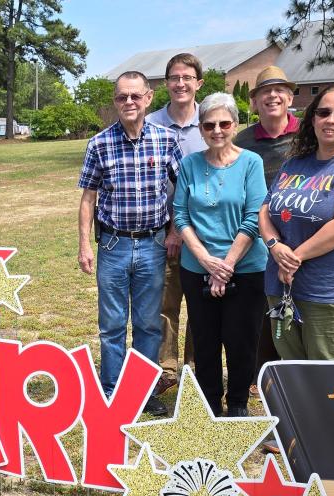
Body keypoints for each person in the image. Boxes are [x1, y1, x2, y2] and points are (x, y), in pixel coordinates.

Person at [77, 71, 183, 416]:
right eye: (122, 97)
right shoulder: (99, 143)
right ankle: (111, 391)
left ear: (148, 98)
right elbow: (87, 197)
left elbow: (182, 189)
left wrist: (174, 231)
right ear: (115, 101)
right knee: (111, 324)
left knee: (148, 323)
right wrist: (84, 244)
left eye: (135, 96)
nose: (129, 102)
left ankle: (142, 390)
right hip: (112, 246)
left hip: (153, 245)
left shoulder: (166, 140)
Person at [257, 83, 334, 361]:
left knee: (324, 371)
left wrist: (294, 258)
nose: (330, 120)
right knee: (292, 368)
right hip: (281, 284)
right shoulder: (295, 163)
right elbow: (265, 210)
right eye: (324, 112)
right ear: (312, 117)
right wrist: (275, 245)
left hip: (329, 288)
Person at [172, 92, 268, 417]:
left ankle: (238, 403)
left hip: (245, 268)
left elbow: (254, 217)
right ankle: (210, 404)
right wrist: (205, 260)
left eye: (224, 123)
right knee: (205, 340)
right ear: (200, 129)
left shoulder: (251, 163)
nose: (217, 130)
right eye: (209, 124)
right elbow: (181, 216)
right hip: (197, 267)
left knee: (241, 339)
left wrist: (225, 265)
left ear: (236, 125)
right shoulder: (190, 164)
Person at [146, 53, 208, 396]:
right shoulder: (151, 122)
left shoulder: (212, 121)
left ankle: (194, 367)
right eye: (174, 77)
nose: (181, 83)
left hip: (204, 232)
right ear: (165, 84)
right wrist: (171, 228)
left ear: (198, 82)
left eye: (187, 77)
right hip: (162, 233)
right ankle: (165, 368)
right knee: (164, 304)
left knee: (201, 303)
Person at [233, 66, 298, 381]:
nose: (272, 96)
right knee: (260, 306)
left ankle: (297, 368)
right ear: (255, 102)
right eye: (264, 92)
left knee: (300, 303)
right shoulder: (243, 141)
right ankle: (261, 372)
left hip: (300, 232)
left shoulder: (307, 135)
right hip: (259, 234)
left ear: (288, 97)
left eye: (279, 90)